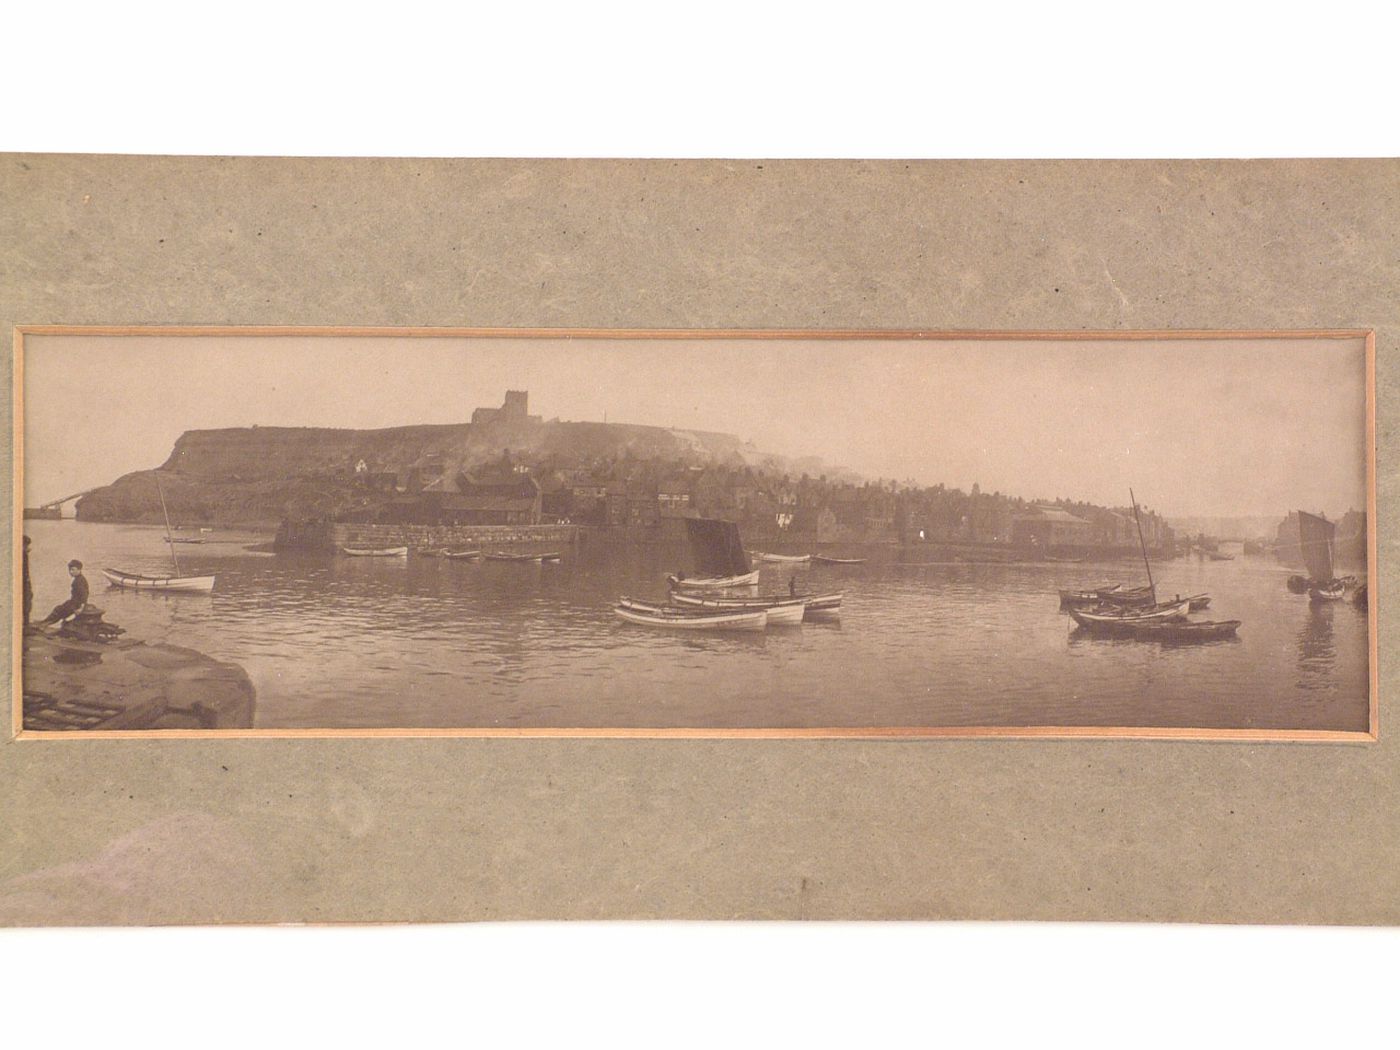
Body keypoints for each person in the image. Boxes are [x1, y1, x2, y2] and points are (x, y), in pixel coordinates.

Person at [38, 559, 89, 627]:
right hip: (74, 602)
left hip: (76, 604)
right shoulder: (80, 579)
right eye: (70, 570)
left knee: (58, 610)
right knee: (59, 609)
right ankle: (45, 622)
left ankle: (44, 624)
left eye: (73, 570)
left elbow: (84, 595)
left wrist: (81, 608)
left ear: (79, 569)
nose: (71, 572)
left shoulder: (78, 581)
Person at [21, 535, 32, 625]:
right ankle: (26, 625)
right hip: (24, 582)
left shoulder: (24, 554)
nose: (27, 548)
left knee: (27, 601)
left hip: (25, 582)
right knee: (26, 603)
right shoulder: (23, 555)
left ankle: (26, 624)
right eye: (26, 546)